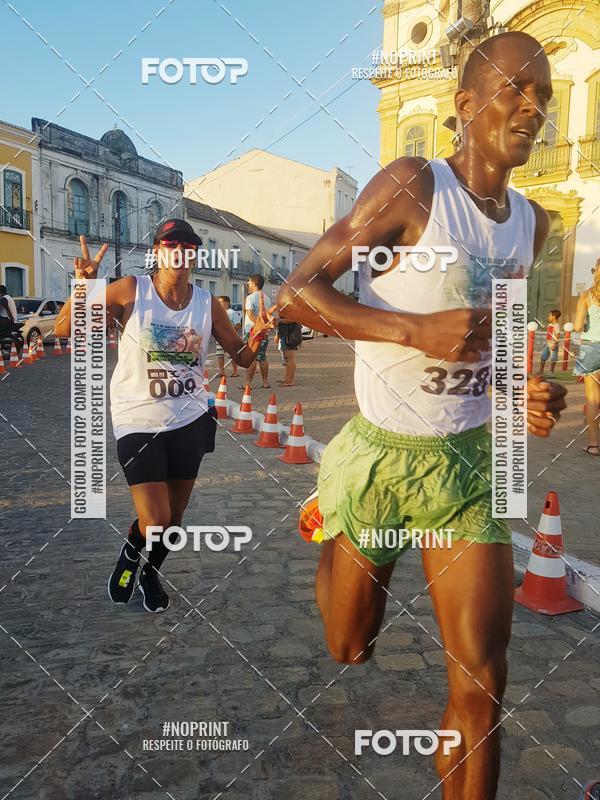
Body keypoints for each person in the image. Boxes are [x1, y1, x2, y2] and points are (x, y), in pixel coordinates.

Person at [278, 32, 567, 800]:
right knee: (349, 646)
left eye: (543, 94)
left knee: (483, 682)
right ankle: (332, 512)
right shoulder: (413, 188)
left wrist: (523, 391)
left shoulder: (533, 225)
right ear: (466, 106)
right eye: (515, 90)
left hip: (467, 466)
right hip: (381, 455)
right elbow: (296, 292)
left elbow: (495, 337)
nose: (533, 107)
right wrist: (412, 331)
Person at [55, 220, 274, 613]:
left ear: (195, 254)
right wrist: (84, 286)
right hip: (137, 419)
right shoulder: (131, 290)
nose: (179, 251)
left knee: (174, 517)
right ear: (157, 250)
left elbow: (242, 357)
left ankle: (150, 573)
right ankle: (130, 553)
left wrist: (258, 332)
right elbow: (64, 327)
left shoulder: (208, 304)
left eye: (188, 245)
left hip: (190, 420)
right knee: (155, 519)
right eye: (170, 244)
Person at [573, 262, 600, 455]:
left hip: (592, 348)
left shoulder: (586, 296)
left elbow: (577, 327)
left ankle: (593, 445)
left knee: (592, 398)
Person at [244, 274, 270, 388]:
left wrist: (258, 327)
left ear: (254, 284)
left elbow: (250, 315)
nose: (248, 284)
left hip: (252, 331)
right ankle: (265, 382)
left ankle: (248, 383)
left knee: (251, 357)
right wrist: (263, 327)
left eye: (249, 283)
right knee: (262, 357)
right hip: (264, 331)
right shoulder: (267, 298)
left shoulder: (250, 298)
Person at [216, 295, 242, 377]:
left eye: (220, 302)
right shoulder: (217, 312)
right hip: (219, 338)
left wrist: (230, 330)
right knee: (220, 355)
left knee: (232, 355)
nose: (219, 303)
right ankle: (221, 372)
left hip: (230, 338)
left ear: (227, 303)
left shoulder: (231, 312)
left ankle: (235, 371)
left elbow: (238, 324)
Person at [275, 319, 302, 386]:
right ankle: (287, 378)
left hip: (289, 334)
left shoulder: (291, 313)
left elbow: (293, 318)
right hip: (286, 333)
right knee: (287, 358)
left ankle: (289, 380)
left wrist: (279, 321)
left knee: (289, 357)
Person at [540, 308, 561, 374]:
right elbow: (550, 331)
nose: (548, 317)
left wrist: (554, 344)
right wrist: (545, 328)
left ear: (554, 317)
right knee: (543, 356)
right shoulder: (550, 324)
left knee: (553, 358)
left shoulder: (557, 325)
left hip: (553, 343)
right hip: (548, 343)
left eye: (549, 316)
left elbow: (557, 335)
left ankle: (551, 372)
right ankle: (541, 371)